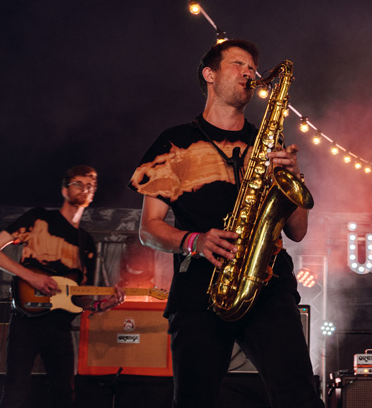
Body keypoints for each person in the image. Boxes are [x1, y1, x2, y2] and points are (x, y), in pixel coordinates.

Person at [129, 39, 323, 408]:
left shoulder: (268, 142)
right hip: (198, 289)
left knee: (300, 397)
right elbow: (149, 228)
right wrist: (194, 241)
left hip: (269, 285)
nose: (249, 72)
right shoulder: (173, 142)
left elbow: (297, 230)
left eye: (252, 67)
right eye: (239, 64)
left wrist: (295, 178)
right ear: (210, 75)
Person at [0, 165, 125, 408]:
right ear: (64, 189)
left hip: (60, 328)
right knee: (15, 394)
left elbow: (78, 297)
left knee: (64, 396)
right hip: (27, 322)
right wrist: (31, 276)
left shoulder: (86, 242)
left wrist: (102, 305)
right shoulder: (38, 219)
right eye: (79, 183)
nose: (85, 189)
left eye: (91, 186)